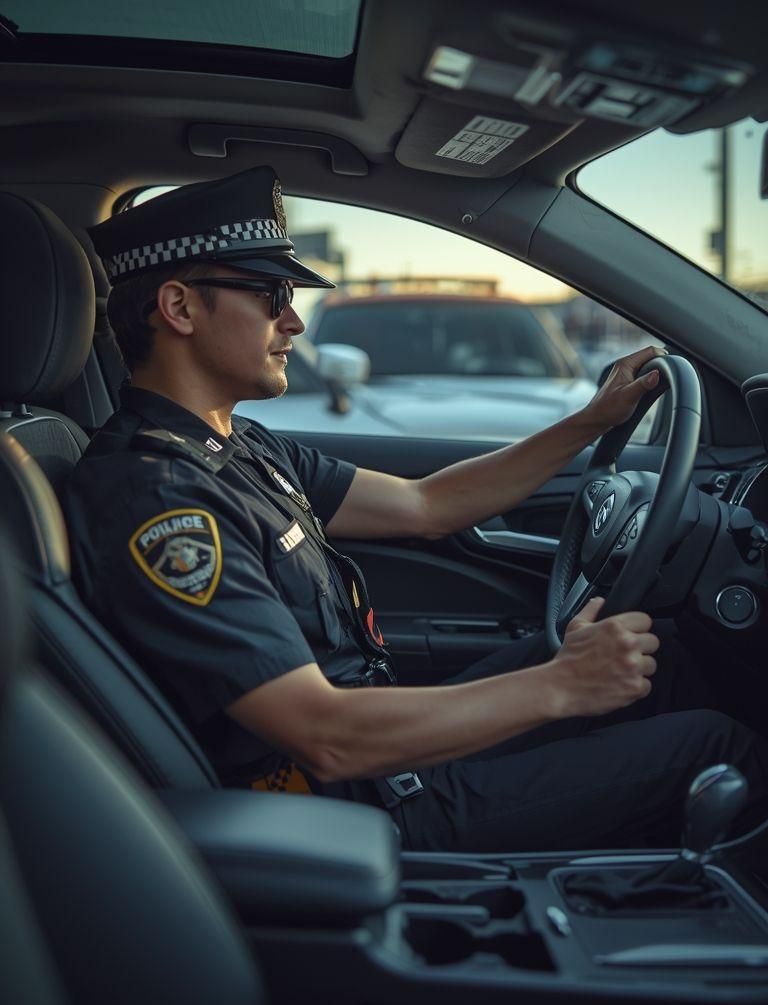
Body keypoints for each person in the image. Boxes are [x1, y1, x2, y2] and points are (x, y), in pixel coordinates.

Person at [64, 166, 768, 853]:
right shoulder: (160, 499)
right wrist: (562, 686)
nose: (296, 321)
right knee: (717, 745)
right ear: (180, 308)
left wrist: (589, 422)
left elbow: (426, 503)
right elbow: (324, 736)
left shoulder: (240, 445)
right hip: (358, 808)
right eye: (272, 295)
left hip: (388, 753)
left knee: (663, 660)